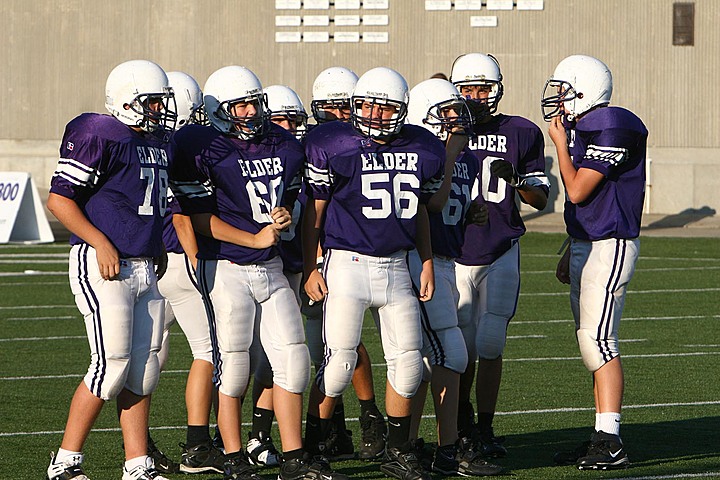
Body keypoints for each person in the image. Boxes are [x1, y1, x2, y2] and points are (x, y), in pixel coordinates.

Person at [169, 65, 347, 480]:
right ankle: (231, 454)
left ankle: (293, 456)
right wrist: (252, 239)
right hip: (229, 267)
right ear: (217, 110)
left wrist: (284, 215)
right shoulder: (201, 148)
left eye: (254, 103)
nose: (250, 112)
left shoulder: (283, 144)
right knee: (233, 365)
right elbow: (196, 216)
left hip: (270, 267)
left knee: (294, 360)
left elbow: (289, 200)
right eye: (240, 105)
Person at [302, 66, 444, 480]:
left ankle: (399, 453)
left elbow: (418, 207)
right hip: (347, 263)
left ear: (402, 109)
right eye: (368, 105)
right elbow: (316, 211)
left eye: (386, 108)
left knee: (409, 365)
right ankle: (313, 449)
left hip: (397, 265)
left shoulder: (423, 146)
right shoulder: (334, 143)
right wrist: (310, 264)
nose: (377, 115)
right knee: (340, 362)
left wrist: (428, 259)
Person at [45, 59, 176, 480]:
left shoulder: (153, 141)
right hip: (103, 264)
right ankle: (65, 462)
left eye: (160, 102)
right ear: (125, 101)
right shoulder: (100, 133)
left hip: (142, 264)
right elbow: (60, 201)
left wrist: (153, 246)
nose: (159, 110)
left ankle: (138, 465)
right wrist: (101, 241)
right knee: (111, 365)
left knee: (144, 367)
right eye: (151, 102)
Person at [543, 54, 646, 470]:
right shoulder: (584, 127)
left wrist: (558, 146)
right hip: (588, 241)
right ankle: (601, 435)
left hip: (612, 242)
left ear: (585, 91)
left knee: (598, 341)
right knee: (589, 339)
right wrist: (572, 244)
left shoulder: (612, 124)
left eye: (565, 91)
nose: (559, 100)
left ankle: (612, 440)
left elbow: (579, 189)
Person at [449, 53, 550, 457]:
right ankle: (457, 418)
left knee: (490, 342)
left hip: (500, 248)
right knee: (459, 348)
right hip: (453, 253)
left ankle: (484, 427)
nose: (475, 96)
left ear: (497, 90)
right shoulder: (438, 129)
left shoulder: (522, 131)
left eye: (482, 88)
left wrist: (519, 180)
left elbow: (539, 197)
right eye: (467, 88)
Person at [405, 78, 503, 477]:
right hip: (421, 262)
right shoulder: (423, 152)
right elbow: (432, 202)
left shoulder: (463, 156)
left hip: (447, 261)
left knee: (427, 364)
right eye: (445, 112)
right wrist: (448, 155)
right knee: (448, 356)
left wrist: (470, 214)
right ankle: (442, 449)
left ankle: (415, 445)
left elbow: (451, 208)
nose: (455, 118)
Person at [306, 67, 388, 461]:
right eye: (330, 109)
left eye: (345, 108)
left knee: (346, 344)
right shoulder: (308, 145)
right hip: (296, 255)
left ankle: (367, 415)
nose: (339, 116)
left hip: (340, 254)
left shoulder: (366, 146)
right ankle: (324, 429)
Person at [154, 70, 226, 475]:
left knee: (149, 357)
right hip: (182, 258)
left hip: (153, 261)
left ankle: (140, 444)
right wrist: (197, 258)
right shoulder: (185, 145)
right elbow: (184, 215)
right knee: (211, 352)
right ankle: (199, 444)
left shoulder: (148, 144)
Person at [241, 84, 308, 468]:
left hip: (292, 265)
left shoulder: (298, 155)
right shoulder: (251, 155)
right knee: (240, 359)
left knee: (282, 358)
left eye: (293, 120)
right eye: (281, 118)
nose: (287, 126)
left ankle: (262, 435)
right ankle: (231, 437)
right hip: (257, 265)